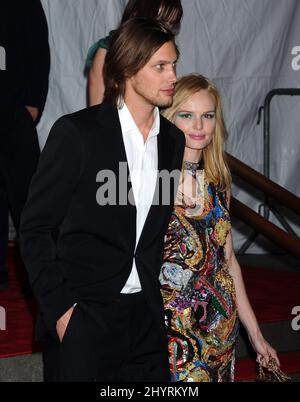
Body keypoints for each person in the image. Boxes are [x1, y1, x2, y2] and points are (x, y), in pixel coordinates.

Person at [20, 18, 185, 382]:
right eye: (160, 66)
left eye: (174, 64)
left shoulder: (173, 141)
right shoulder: (78, 133)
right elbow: (34, 229)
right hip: (85, 316)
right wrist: (61, 310)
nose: (172, 75)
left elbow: (150, 233)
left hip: (145, 319)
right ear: (127, 69)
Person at [159, 74, 279, 382]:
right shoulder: (151, 185)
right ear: (169, 119)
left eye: (207, 116)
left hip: (221, 335)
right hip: (173, 337)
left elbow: (229, 265)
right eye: (187, 115)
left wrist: (255, 336)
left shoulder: (218, 184)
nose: (198, 126)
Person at [0, 0, 50, 289]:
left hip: (16, 113)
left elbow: (38, 50)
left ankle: (39, 277)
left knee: (30, 202)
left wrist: (33, 104)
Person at [86, 0, 183, 106]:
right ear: (137, 15)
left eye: (172, 24)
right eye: (160, 22)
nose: (166, 30)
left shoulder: (167, 51)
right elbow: (96, 112)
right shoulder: (108, 50)